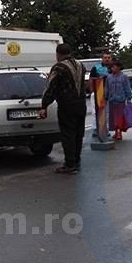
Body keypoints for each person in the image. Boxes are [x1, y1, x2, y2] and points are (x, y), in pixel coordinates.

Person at [39, 43, 88, 174]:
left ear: (58, 54)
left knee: (68, 135)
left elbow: (51, 87)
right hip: (81, 104)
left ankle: (70, 164)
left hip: (67, 105)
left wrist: (44, 105)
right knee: (78, 134)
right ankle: (76, 161)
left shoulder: (59, 67)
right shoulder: (81, 65)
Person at [105, 60, 132, 140]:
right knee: (113, 117)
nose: (113, 68)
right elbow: (107, 88)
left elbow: (127, 87)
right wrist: (105, 97)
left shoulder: (124, 77)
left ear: (119, 67)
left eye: (114, 66)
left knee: (119, 117)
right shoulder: (109, 77)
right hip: (112, 100)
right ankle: (116, 131)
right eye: (112, 67)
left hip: (121, 100)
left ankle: (119, 132)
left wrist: (129, 97)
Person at [89, 52, 113, 138]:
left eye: (109, 57)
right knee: (96, 112)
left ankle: (105, 129)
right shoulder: (96, 67)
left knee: (107, 112)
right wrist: (92, 91)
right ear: (102, 59)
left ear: (111, 59)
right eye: (105, 57)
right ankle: (96, 129)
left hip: (108, 93)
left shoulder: (113, 68)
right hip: (97, 92)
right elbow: (91, 79)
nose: (107, 59)